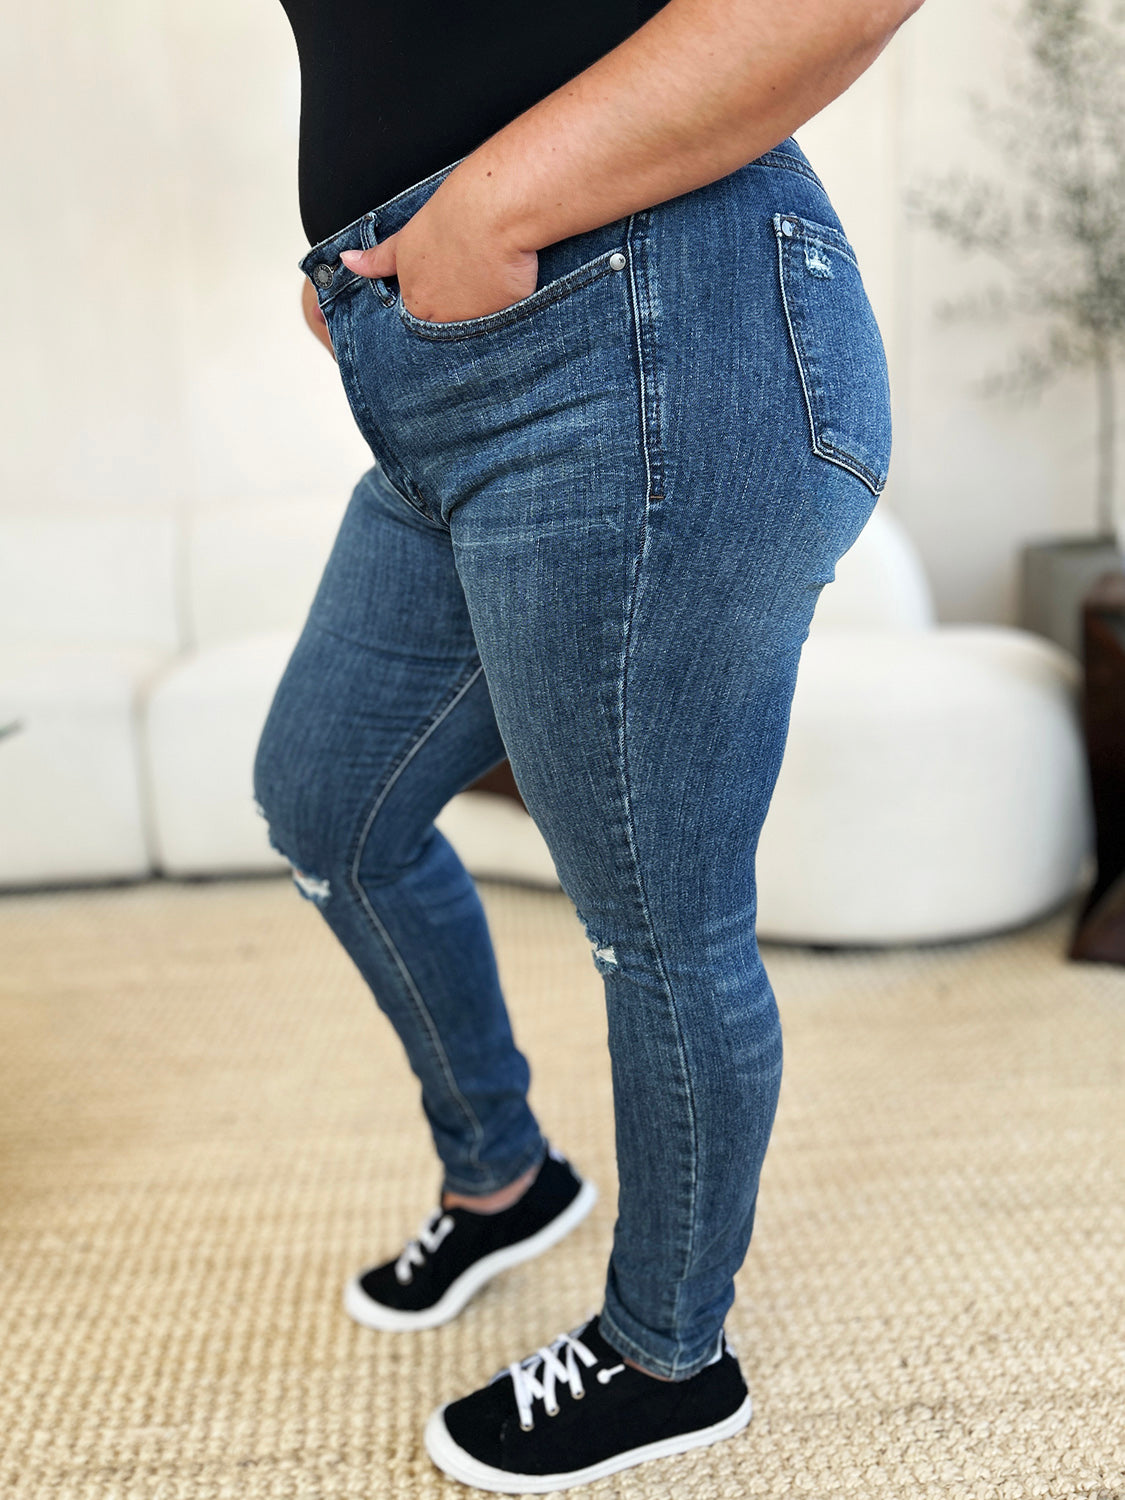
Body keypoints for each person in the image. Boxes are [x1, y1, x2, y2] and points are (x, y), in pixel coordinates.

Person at [254, 0, 922, 1490]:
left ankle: (667, 1354)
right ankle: (503, 1177)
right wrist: (379, 260)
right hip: (449, 364)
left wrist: (485, 206)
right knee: (325, 806)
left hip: (650, 323)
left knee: (655, 925)